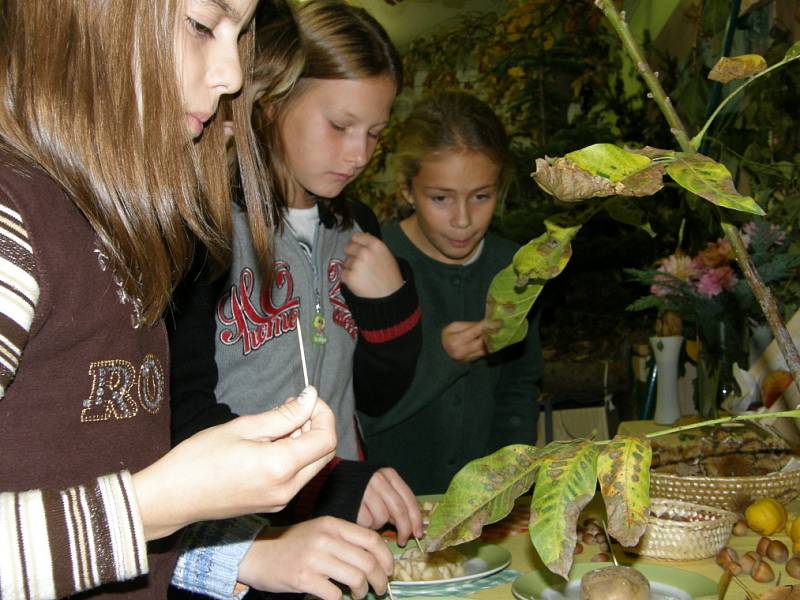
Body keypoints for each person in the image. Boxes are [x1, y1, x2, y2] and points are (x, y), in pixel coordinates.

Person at [0, 1, 368, 598]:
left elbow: (80, 505)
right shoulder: (14, 225)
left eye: (240, 36)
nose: (232, 76)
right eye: (202, 25)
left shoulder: (118, 230)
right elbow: (131, 512)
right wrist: (157, 505)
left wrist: (235, 552)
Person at [167, 1, 422, 597]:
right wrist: (334, 482)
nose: (359, 154)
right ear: (273, 101)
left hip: (339, 536)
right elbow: (184, 411)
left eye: (375, 133)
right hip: (233, 550)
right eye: (339, 125)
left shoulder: (358, 228)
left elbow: (380, 394)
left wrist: (389, 307)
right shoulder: (201, 226)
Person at [359, 90, 544, 495]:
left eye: (481, 196)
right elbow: (356, 414)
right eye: (441, 198)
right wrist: (440, 358)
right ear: (408, 189)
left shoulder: (515, 268)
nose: (463, 220)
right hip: (387, 508)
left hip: (486, 508)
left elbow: (519, 387)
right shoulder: (369, 265)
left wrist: (507, 482)